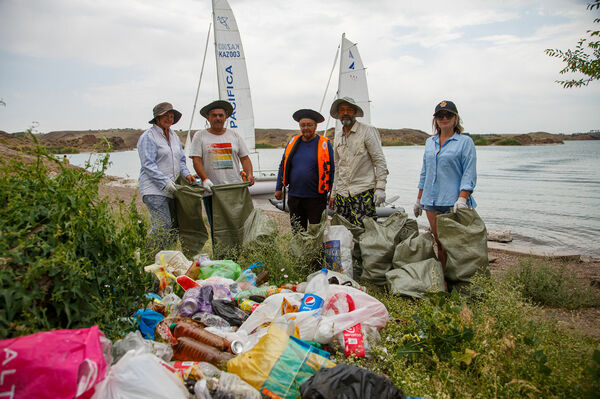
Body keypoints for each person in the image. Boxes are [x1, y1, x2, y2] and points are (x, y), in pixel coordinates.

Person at [413, 100, 477, 270]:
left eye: (448, 114)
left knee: (455, 244)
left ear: (456, 118)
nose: (444, 118)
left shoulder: (465, 142)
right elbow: (425, 172)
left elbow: (469, 173)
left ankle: (459, 279)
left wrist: (462, 199)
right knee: (439, 242)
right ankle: (444, 280)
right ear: (435, 120)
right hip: (431, 201)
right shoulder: (429, 142)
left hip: (453, 202)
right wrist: (419, 199)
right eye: (440, 115)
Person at [189, 100, 254, 230]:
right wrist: (205, 179)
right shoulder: (200, 136)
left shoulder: (234, 135)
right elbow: (196, 160)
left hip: (234, 189)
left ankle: (238, 250)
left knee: (238, 224)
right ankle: (219, 251)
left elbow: (245, 159)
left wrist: (250, 174)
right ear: (208, 117)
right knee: (217, 227)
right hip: (212, 191)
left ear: (226, 117)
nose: (217, 118)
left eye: (221, 115)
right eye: (214, 115)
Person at [138, 102, 195, 246]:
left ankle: (166, 260)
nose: (169, 119)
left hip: (173, 189)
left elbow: (181, 160)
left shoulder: (174, 136)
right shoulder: (149, 136)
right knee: (162, 226)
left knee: (174, 228)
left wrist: (187, 175)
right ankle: (148, 257)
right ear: (157, 118)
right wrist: (165, 182)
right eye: (166, 116)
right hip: (154, 189)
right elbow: (148, 164)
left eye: (171, 116)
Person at [328, 97, 388, 227]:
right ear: (338, 114)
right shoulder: (338, 136)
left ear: (354, 112)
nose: (345, 112)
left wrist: (380, 187)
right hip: (342, 193)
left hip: (363, 191)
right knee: (343, 231)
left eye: (349, 109)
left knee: (365, 233)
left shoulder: (367, 131)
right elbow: (337, 168)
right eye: (342, 110)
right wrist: (333, 193)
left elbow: (379, 161)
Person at [275, 109, 334, 231]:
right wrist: (278, 188)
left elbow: (332, 170)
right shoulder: (292, 143)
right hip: (295, 196)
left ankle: (316, 251)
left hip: (316, 198)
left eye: (309, 125)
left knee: (316, 233)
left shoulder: (324, 144)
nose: (306, 128)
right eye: (303, 125)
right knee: (297, 231)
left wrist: (332, 193)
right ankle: (300, 251)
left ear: (316, 126)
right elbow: (283, 165)